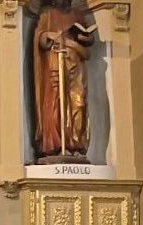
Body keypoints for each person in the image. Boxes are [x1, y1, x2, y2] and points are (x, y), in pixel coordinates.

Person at [32, 0, 94, 159]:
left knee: (78, 103)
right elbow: (40, 37)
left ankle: (75, 144)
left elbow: (88, 39)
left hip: (75, 62)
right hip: (54, 61)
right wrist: (50, 35)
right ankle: (56, 144)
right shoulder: (47, 14)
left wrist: (84, 38)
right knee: (56, 102)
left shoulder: (77, 14)